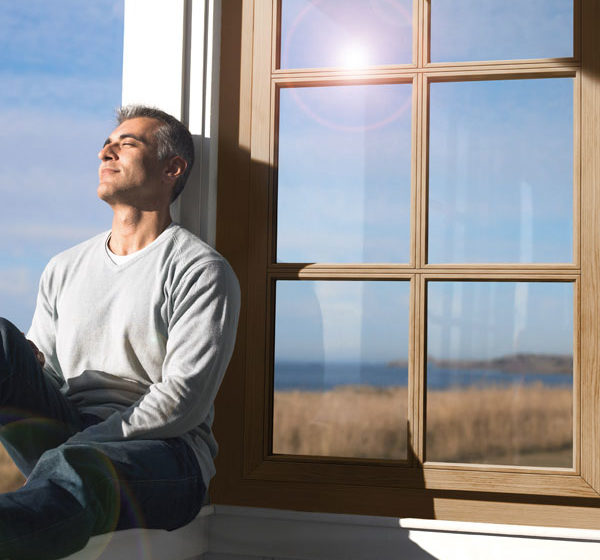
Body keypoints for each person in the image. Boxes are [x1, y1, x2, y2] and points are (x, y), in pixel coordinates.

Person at [0, 105, 240, 559]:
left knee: (79, 467)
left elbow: (183, 402)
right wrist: (30, 368)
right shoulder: (63, 268)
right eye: (107, 143)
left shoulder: (200, 270)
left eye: (127, 143)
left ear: (172, 169)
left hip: (163, 454)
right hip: (67, 436)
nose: (105, 150)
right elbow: (47, 371)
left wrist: (76, 445)